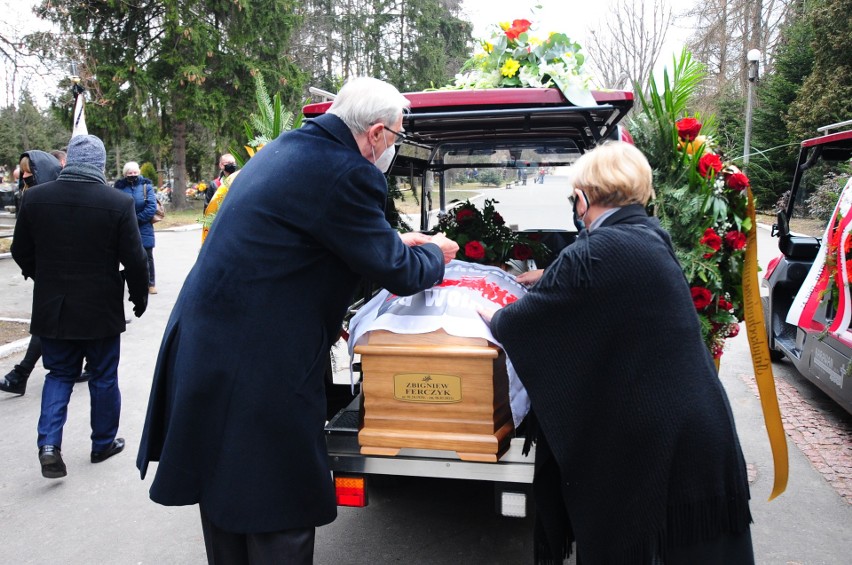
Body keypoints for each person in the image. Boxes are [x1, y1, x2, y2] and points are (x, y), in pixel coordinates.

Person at [137, 76, 459, 564]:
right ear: (375, 133)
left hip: (210, 347)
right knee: (277, 505)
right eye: (395, 135)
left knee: (225, 497)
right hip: (258, 365)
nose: (393, 145)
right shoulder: (348, 172)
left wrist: (396, 243)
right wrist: (437, 253)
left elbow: (322, 239)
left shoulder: (289, 148)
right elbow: (399, 272)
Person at [479, 142, 754, 564]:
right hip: (696, 429)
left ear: (585, 197)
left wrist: (480, 305)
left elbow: (519, 324)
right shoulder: (647, 236)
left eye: (575, 198)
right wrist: (552, 275)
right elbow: (609, 286)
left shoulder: (593, 252)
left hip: (659, 444)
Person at [11, 134, 149, 479]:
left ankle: (48, 445)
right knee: (103, 376)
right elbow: (134, 258)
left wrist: (41, 276)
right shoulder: (117, 203)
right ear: (100, 165)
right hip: (99, 308)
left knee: (58, 374)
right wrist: (138, 296)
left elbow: (20, 250)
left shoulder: (36, 199)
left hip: (53, 305)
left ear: (68, 161)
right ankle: (102, 443)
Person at [0, 150, 63, 396]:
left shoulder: (50, 197)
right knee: (46, 324)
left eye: (29, 171)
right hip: (46, 274)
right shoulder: (27, 196)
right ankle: (21, 373)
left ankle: (21, 373)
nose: (24, 175)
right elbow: (21, 246)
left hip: (58, 274)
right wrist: (35, 270)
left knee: (47, 324)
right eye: (23, 171)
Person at [114, 161, 158, 294]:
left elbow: (151, 207)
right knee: (128, 256)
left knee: (147, 255)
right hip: (125, 227)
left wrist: (136, 219)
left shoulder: (146, 186)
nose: (132, 175)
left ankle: (151, 283)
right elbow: (116, 205)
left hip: (144, 227)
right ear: (125, 174)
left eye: (135, 172)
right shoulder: (119, 187)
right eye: (129, 173)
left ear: (139, 172)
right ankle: (134, 283)